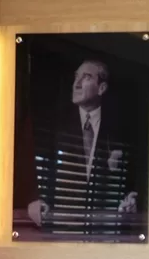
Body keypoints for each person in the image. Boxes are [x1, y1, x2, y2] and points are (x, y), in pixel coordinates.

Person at [21, 58, 138, 234]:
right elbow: (35, 167)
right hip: (61, 228)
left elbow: (129, 181)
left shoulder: (119, 131)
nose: (76, 84)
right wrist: (35, 200)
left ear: (101, 88)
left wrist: (130, 199)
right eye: (76, 77)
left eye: (86, 77)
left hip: (102, 232)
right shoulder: (56, 125)